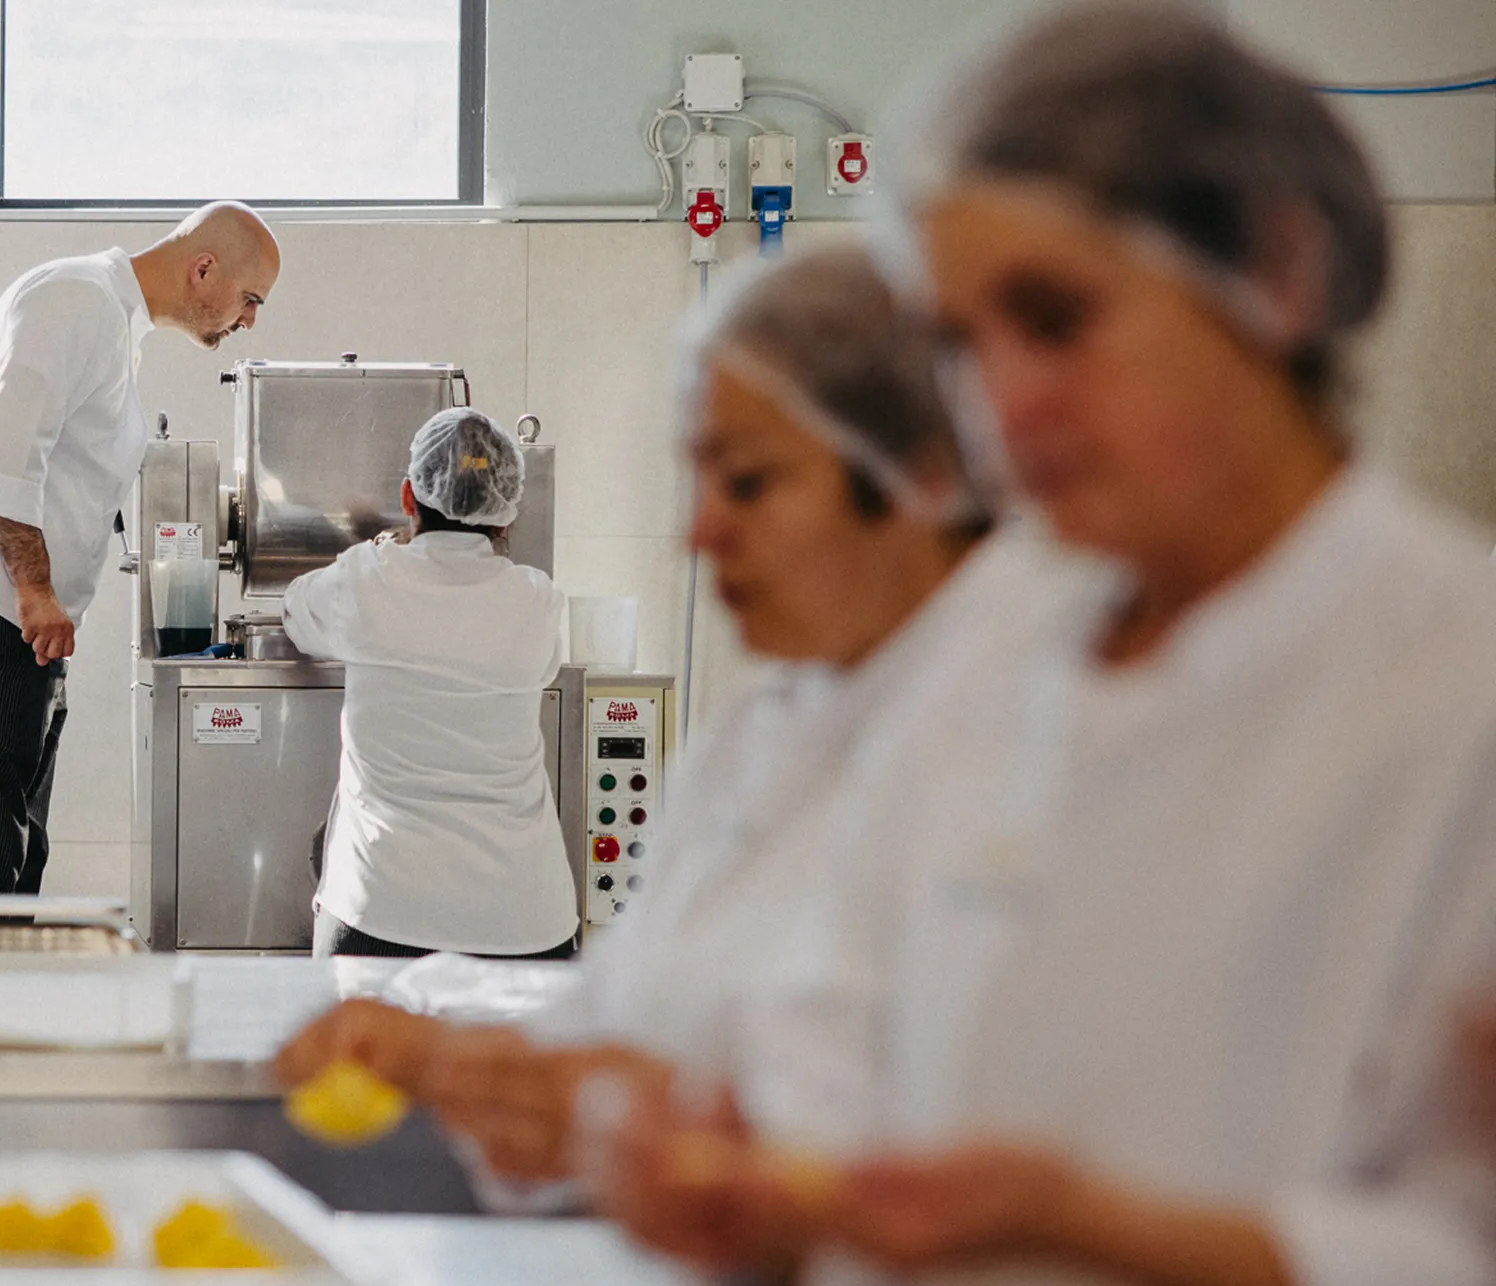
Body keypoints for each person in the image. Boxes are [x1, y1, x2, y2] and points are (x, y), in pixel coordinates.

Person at [596, 10, 1496, 1286]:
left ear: (1276, 269)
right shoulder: (984, 669)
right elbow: (839, 1079)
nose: (1001, 402)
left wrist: (1085, 1230)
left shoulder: (1452, 688)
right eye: (961, 340)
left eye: (1057, 318)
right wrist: (765, 1216)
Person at [276, 241, 1021, 1174]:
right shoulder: (744, 746)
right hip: (527, 925)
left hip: (389, 902)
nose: (698, 532)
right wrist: (463, 1065)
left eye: (746, 479)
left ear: (916, 483)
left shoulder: (1031, 761)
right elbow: (640, 1061)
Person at [0, 202, 281, 893]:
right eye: (250, 300)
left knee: (12, 867)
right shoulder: (74, 300)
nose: (248, 320)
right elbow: (4, 458)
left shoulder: (114, 325)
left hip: (15, 631)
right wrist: (35, 593)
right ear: (203, 268)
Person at [279, 407, 576, 958]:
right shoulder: (539, 602)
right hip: (524, 924)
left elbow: (296, 613)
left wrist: (375, 550)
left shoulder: (365, 580)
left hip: (382, 915)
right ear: (506, 516)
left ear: (409, 497)